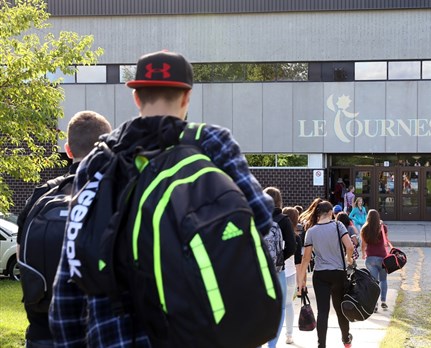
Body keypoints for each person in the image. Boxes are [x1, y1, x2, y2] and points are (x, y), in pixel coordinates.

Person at [49, 50, 275, 347]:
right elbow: (259, 216)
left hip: (113, 334)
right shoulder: (210, 142)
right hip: (194, 330)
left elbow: (72, 266)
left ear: (137, 97)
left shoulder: (99, 160)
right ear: (186, 97)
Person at [17, 111, 112, 348]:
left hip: (41, 333)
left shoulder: (41, 195)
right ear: (107, 150)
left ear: (68, 150)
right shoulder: (116, 195)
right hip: (97, 333)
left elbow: (21, 256)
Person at [300, 200, 354, 348]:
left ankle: (321, 345)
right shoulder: (338, 225)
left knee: (322, 312)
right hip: (338, 273)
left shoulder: (311, 231)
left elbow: (306, 259)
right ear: (331, 213)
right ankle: (346, 340)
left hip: (320, 275)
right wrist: (348, 260)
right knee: (340, 310)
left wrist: (301, 281)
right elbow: (349, 246)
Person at [263, 187, 296, 348]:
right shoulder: (283, 219)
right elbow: (292, 246)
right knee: (281, 307)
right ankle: (272, 344)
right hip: (278, 271)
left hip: (258, 272)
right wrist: (280, 258)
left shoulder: (255, 217)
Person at [281, 207, 303, 345]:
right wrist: (300, 284)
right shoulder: (296, 238)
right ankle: (289, 335)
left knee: (278, 307)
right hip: (291, 275)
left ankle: (273, 335)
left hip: (278, 273)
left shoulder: (276, 233)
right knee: (289, 305)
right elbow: (298, 263)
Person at [360, 209, 389, 313]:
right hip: (382, 257)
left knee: (373, 282)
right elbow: (386, 241)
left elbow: (363, 245)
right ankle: (383, 300)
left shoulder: (364, 228)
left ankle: (375, 304)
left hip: (370, 257)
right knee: (383, 280)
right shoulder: (383, 227)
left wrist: (363, 253)